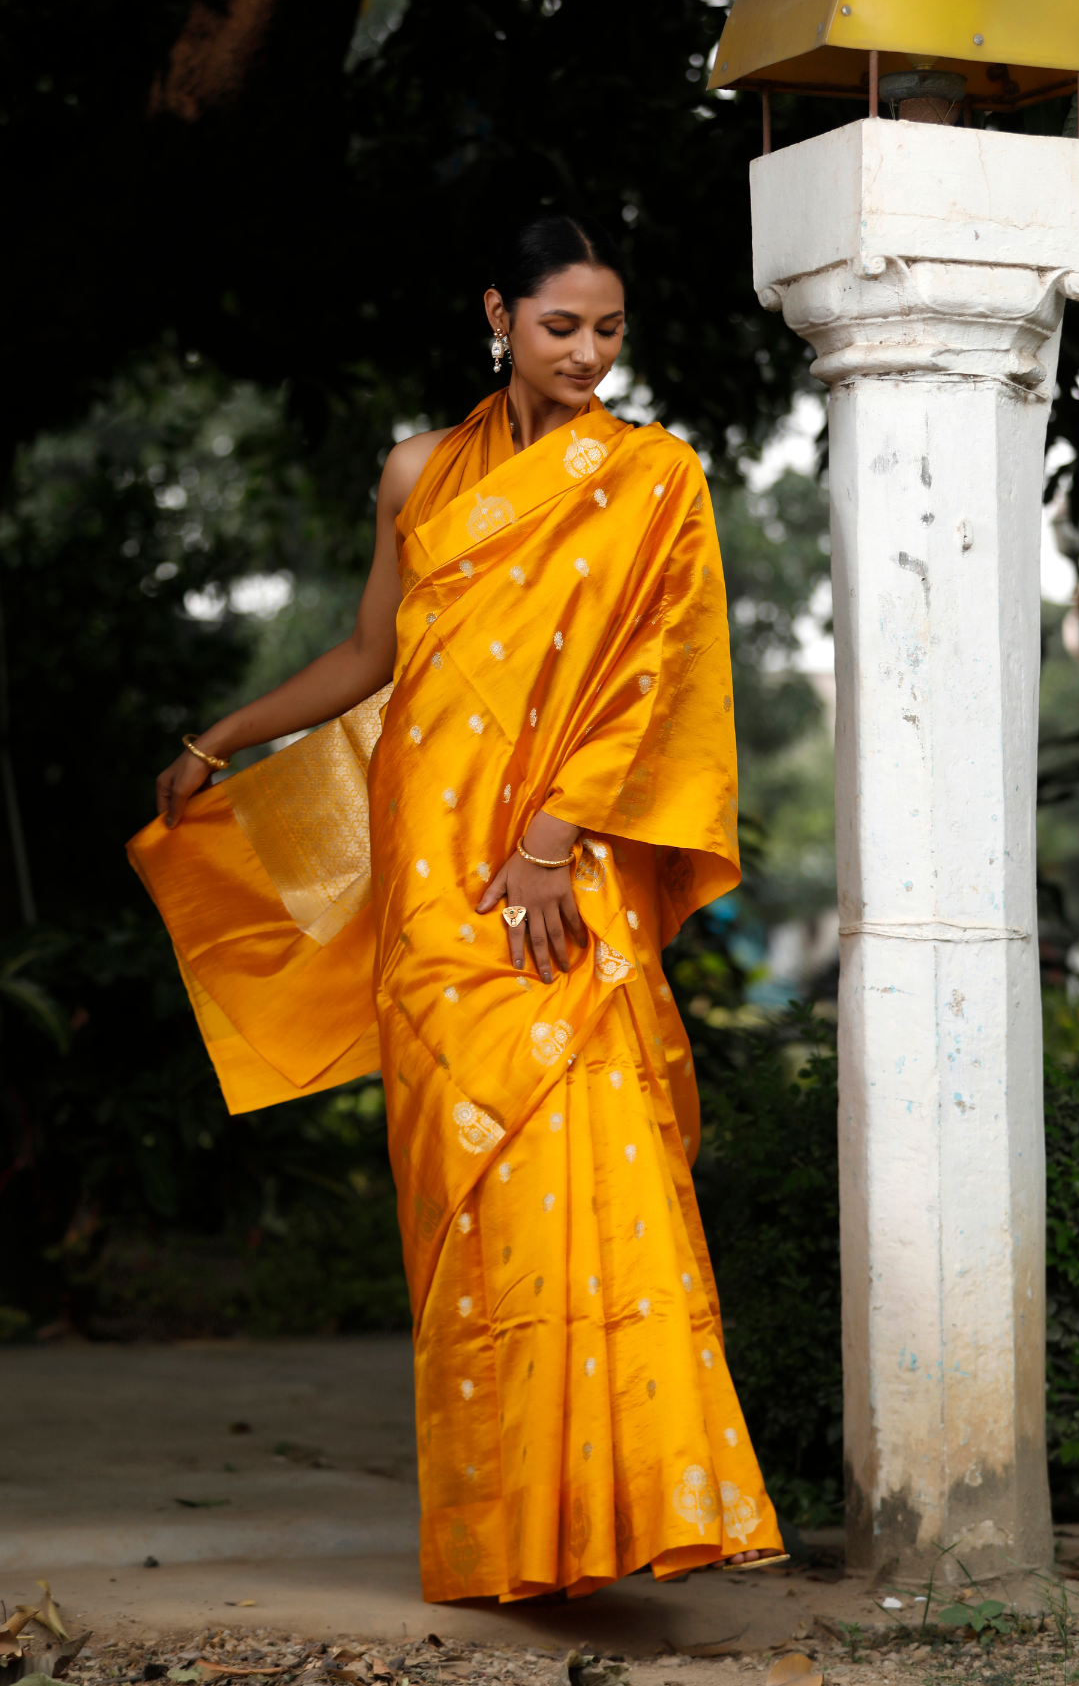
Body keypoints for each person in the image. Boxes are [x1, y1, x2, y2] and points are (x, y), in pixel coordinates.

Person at [130, 213, 783, 1603]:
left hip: (558, 890)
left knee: (591, 1181)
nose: (592, 355)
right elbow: (375, 654)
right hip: (432, 887)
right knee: (468, 1210)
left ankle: (627, 1516)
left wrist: (551, 839)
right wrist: (222, 739)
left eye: (611, 329)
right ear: (500, 313)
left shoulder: (657, 479)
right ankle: (512, 1539)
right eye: (563, 327)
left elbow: (660, 678)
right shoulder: (418, 470)